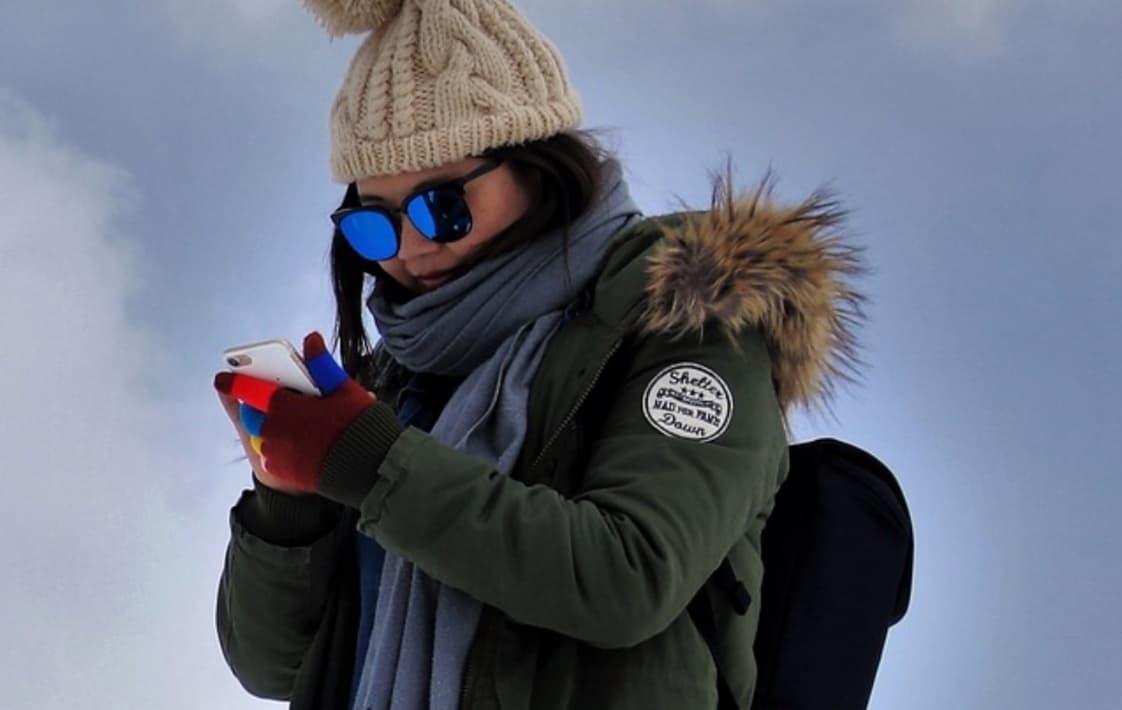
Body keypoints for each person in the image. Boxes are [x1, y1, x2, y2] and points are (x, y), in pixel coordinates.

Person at [211, 1, 864, 709]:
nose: (413, 246)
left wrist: (371, 464)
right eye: (375, 225)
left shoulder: (689, 319)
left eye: (442, 205)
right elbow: (276, 666)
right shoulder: (399, 381)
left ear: (540, 166)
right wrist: (289, 501)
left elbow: (628, 577)